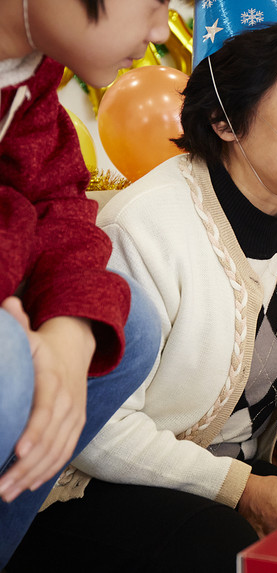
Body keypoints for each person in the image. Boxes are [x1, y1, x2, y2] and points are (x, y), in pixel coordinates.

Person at [7, 20, 277, 572]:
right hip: (90, 483)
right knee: (228, 551)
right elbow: (99, 431)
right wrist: (238, 487)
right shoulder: (145, 227)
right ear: (224, 119)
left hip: (233, 476)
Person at [0, 0, 166, 567]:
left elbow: (57, 200)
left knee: (133, 327)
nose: (157, 33)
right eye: (153, 5)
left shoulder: (30, 74)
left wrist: (70, 332)